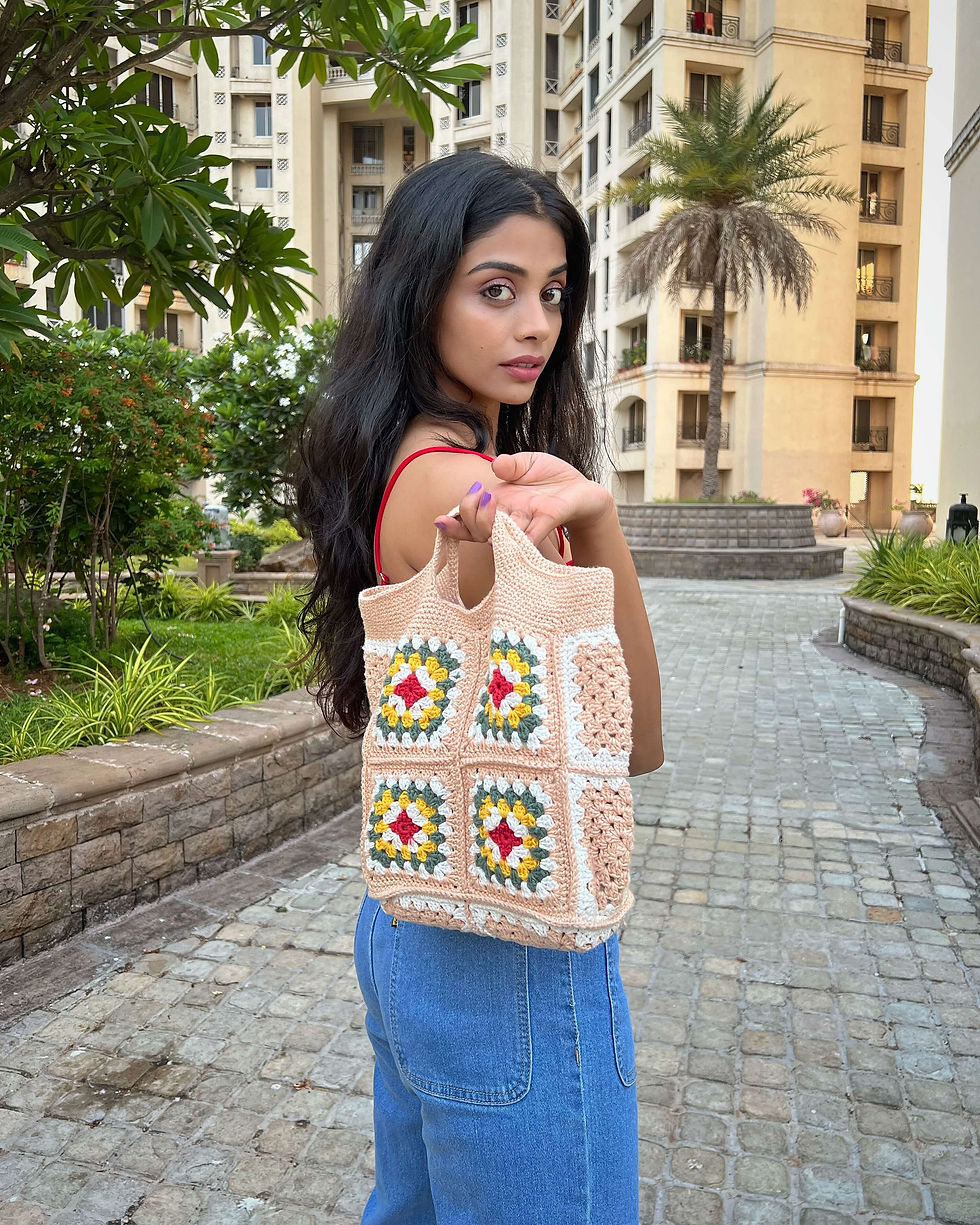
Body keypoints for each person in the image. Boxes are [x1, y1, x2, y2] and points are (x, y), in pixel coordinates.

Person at [294, 150, 664, 1225]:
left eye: (552, 294)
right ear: (422, 295)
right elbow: (626, 734)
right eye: (494, 289)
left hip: (411, 919)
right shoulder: (467, 484)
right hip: (509, 942)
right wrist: (596, 520)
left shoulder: (398, 459)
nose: (535, 325)